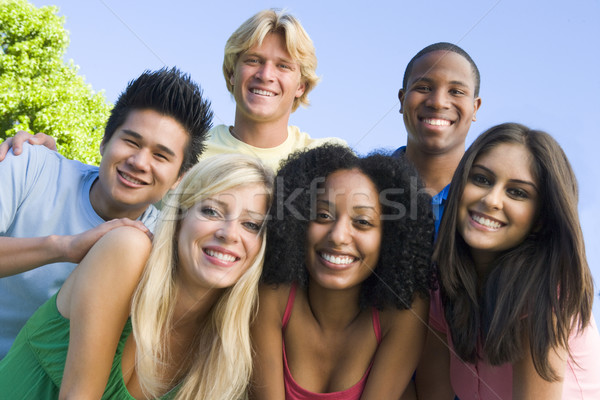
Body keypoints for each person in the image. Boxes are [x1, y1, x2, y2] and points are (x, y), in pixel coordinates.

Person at [0, 153, 274, 399]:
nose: (229, 233)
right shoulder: (127, 250)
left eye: (251, 225)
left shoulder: (231, 344)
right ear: (178, 219)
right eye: (211, 211)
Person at [0, 67, 213, 357]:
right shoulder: (30, 166)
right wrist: (64, 247)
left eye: (160, 156)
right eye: (131, 142)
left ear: (179, 178)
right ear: (105, 141)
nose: (139, 162)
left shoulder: (164, 243)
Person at [416, 123, 600, 399]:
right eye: (481, 179)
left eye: (517, 192)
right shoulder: (441, 286)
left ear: (541, 219)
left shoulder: (547, 293)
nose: (491, 200)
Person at [250, 144, 435, 399]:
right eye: (322, 215)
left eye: (362, 222)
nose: (338, 236)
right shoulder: (272, 294)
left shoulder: (403, 311)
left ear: (391, 239)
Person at [201, 8, 346, 171]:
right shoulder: (190, 152)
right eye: (254, 60)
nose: (265, 75)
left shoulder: (329, 160)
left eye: (283, 66)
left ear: (301, 86)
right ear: (232, 73)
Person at [393, 42, 482, 232]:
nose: (438, 103)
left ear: (475, 108)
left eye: (456, 92)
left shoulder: (490, 200)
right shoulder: (360, 184)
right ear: (402, 100)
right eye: (424, 88)